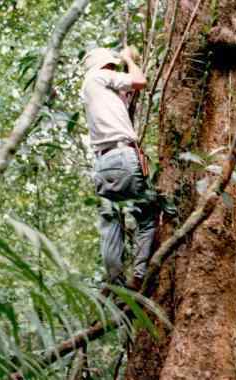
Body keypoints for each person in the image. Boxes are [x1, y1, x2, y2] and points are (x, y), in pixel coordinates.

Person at [81, 47, 156, 290]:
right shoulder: (98, 77)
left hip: (103, 164)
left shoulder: (95, 91)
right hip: (123, 156)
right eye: (112, 66)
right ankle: (139, 275)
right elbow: (139, 82)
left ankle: (115, 285)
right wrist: (127, 59)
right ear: (105, 67)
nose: (114, 70)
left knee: (110, 228)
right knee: (146, 217)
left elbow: (127, 96)